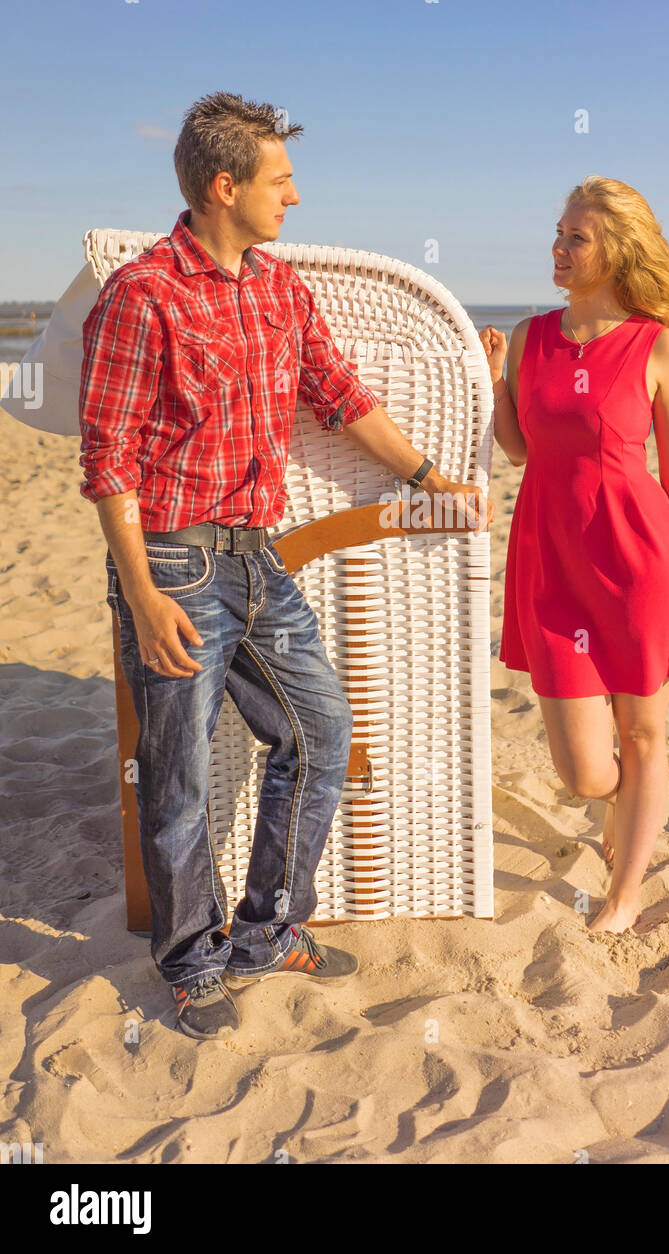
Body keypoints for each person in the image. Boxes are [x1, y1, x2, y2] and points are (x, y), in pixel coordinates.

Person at [79, 91, 492, 1039]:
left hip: (259, 560)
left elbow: (344, 398)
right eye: (282, 179)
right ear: (225, 187)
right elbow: (108, 461)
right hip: (175, 564)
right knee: (176, 777)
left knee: (320, 733)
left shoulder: (278, 288)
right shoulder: (141, 297)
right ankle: (192, 966)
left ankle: (267, 930)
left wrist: (434, 479)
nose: (295, 197)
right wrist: (140, 594)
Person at [479, 176, 669, 935]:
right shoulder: (531, 337)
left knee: (645, 735)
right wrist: (493, 387)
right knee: (585, 771)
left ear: (615, 249)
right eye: (558, 232)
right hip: (551, 562)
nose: (558, 246)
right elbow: (522, 451)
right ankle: (624, 800)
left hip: (641, 560)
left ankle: (626, 892)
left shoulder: (659, 347)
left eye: (575, 237)